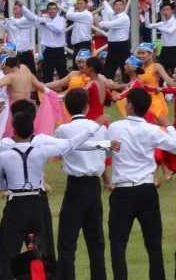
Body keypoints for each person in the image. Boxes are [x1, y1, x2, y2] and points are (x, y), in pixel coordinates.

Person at [0, 105, 99, 279]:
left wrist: (11, 185)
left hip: (17, 203)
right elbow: (69, 145)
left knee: (8, 254)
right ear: (33, 129)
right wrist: (94, 127)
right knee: (43, 253)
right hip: (37, 203)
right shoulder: (40, 151)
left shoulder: (5, 155)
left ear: (14, 129)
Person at [107, 88, 176, 280]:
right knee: (153, 242)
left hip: (123, 191)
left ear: (129, 106)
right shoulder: (152, 129)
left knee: (118, 243)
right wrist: (168, 125)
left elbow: (105, 151)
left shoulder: (115, 127)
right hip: (146, 189)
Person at [55, 88, 108, 280]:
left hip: (76, 186)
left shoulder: (63, 130)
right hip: (94, 185)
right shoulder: (101, 129)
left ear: (68, 109)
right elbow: (106, 154)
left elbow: (59, 151)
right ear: (87, 106)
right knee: (96, 242)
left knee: (67, 242)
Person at [22, 2, 67, 83]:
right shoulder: (44, 20)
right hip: (48, 51)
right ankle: (47, 94)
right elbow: (32, 17)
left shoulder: (61, 20)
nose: (52, 11)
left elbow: (58, 29)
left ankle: (66, 93)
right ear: (47, 10)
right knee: (47, 75)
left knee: (62, 74)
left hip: (59, 51)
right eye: (50, 9)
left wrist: (46, 24)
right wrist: (23, 7)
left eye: (54, 9)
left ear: (57, 10)